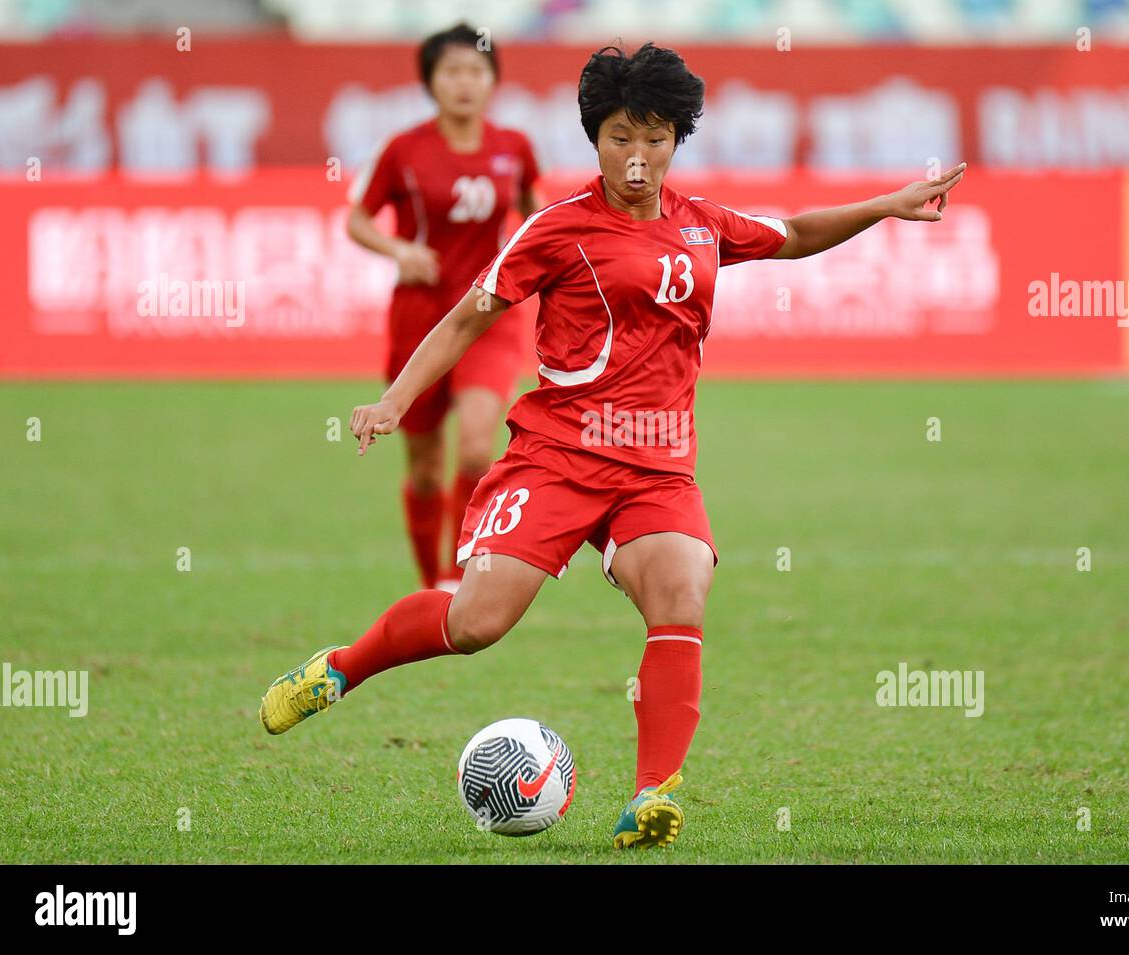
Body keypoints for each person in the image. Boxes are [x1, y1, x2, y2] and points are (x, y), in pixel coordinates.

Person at [263, 41, 965, 850]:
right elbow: (467, 315)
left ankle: (650, 794)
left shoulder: (703, 225)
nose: (639, 159)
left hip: (659, 467)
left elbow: (796, 232)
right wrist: (393, 399)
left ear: (678, 140)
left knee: (680, 593)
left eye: (657, 138)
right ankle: (339, 668)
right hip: (558, 456)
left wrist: (886, 204)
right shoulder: (557, 229)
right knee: (475, 623)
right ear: (595, 137)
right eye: (621, 138)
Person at [346, 22, 541, 591]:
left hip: (488, 315)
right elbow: (357, 218)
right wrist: (398, 248)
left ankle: (458, 580)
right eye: (451, 71)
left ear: (493, 82)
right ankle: (428, 578)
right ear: (430, 80)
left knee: (479, 447)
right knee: (426, 467)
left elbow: (536, 211)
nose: (464, 83)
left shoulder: (515, 148)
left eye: (476, 71)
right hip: (420, 318)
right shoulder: (403, 150)